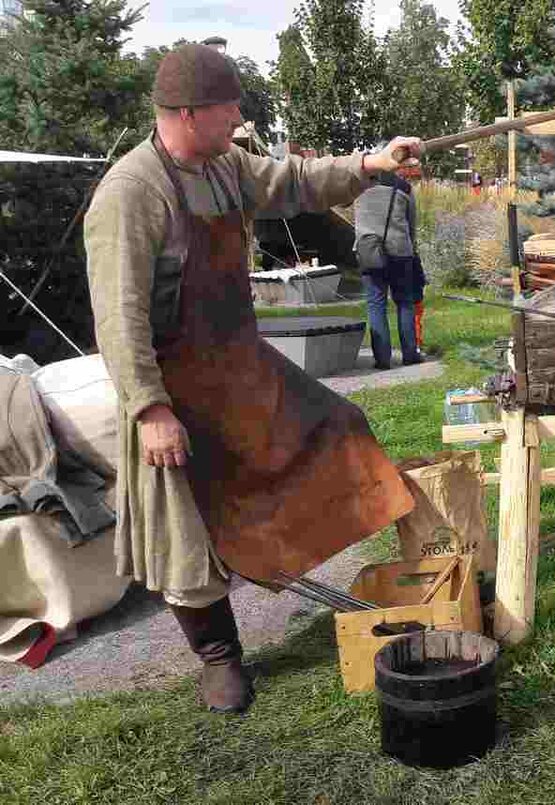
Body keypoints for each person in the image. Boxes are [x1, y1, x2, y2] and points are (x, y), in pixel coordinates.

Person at [83, 44, 421, 713]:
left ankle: (371, 567)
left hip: (240, 363)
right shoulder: (130, 194)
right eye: (227, 106)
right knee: (187, 536)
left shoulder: (227, 164)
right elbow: (117, 317)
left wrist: (370, 165)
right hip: (169, 385)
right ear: (185, 114)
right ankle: (219, 658)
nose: (240, 116)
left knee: (340, 426)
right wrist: (150, 410)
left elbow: (292, 181)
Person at [354, 161, 426, 368]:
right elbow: (411, 224)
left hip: (368, 252)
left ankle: (383, 359)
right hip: (400, 252)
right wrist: (410, 248)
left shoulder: (359, 186)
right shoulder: (403, 188)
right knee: (405, 303)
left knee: (376, 304)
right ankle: (410, 354)